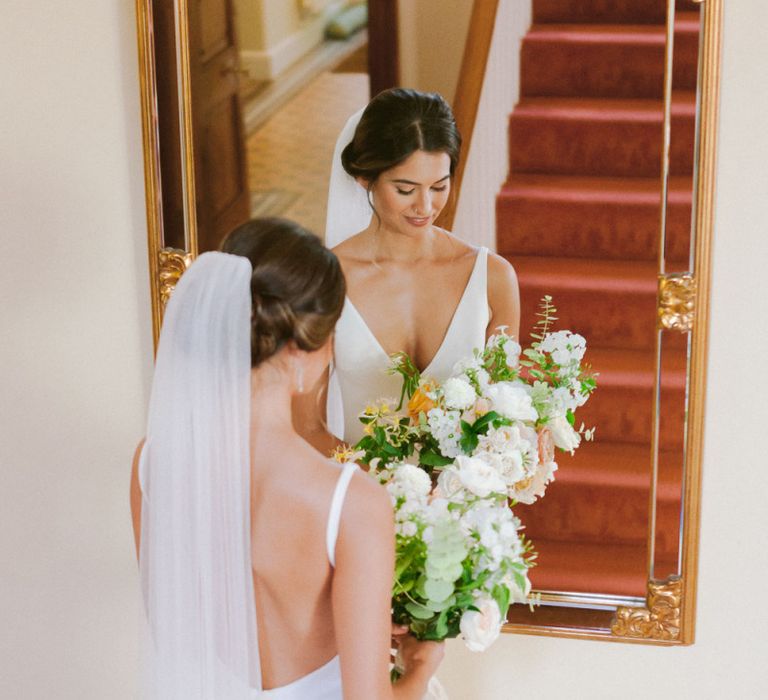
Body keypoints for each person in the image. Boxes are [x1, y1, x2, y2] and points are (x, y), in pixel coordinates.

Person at [130, 218, 444, 699]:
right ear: (302, 352)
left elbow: (176, 638)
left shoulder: (151, 464)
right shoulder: (350, 502)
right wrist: (421, 669)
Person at [295, 87, 521, 448]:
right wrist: (387, 492)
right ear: (364, 179)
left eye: (439, 186)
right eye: (405, 189)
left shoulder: (492, 278)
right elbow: (307, 428)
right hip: (361, 493)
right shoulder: (324, 283)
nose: (425, 206)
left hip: (469, 499)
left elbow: (504, 415)